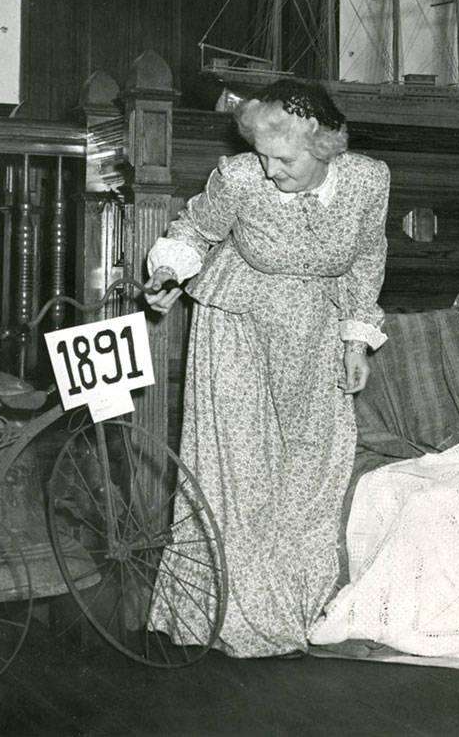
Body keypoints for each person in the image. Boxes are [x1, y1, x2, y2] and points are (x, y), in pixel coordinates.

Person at [143, 78, 390, 657]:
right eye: (262, 155)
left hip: (317, 331)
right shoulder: (238, 178)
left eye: (284, 158)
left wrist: (356, 340)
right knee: (238, 469)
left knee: (316, 464)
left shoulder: (367, 180)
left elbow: (367, 258)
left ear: (324, 147)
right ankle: (234, 615)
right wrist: (169, 273)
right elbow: (196, 229)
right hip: (238, 327)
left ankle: (303, 607)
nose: (270, 169)